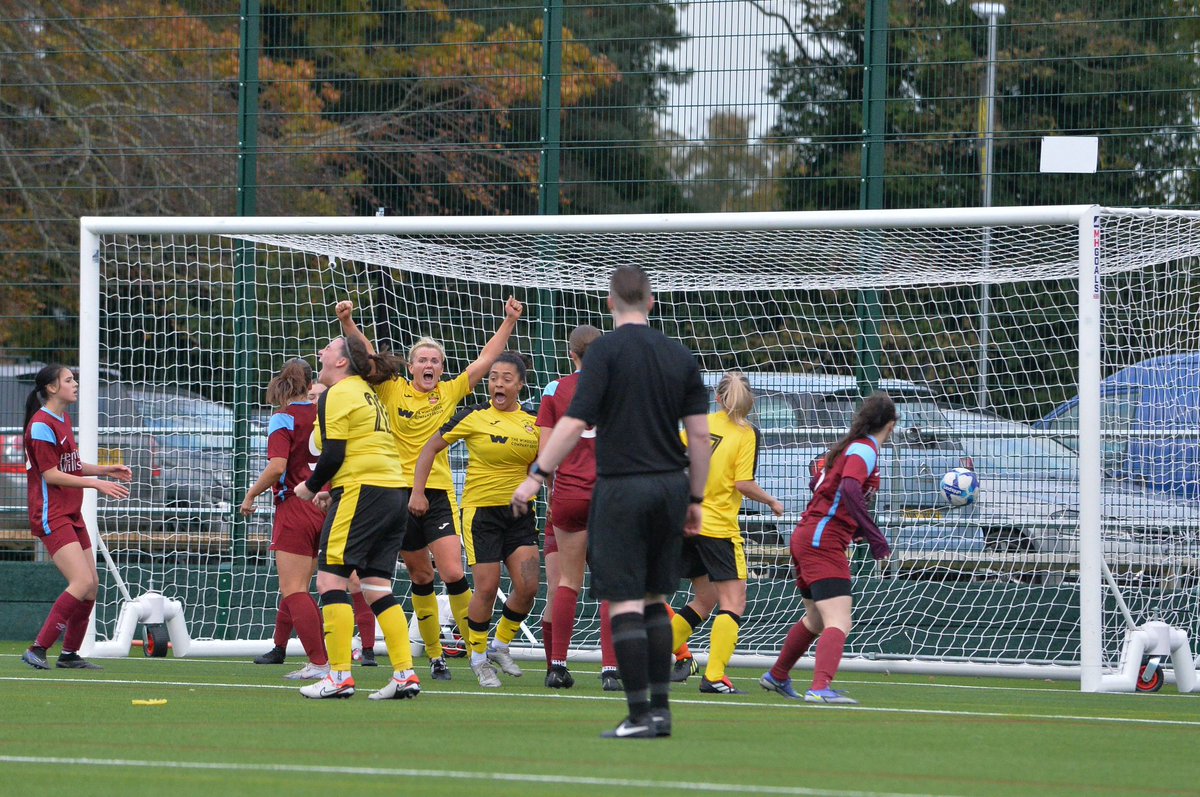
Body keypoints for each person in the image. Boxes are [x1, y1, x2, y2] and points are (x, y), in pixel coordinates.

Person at [512, 265, 711, 739]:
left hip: (620, 486)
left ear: (609, 302)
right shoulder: (680, 355)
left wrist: (537, 475)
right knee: (656, 599)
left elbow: (574, 423)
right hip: (670, 485)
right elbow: (700, 437)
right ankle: (661, 712)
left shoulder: (602, 354)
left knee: (622, 600)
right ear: (652, 301)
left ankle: (640, 715)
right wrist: (696, 497)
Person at [337, 296, 522, 681]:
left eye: (435, 361)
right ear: (411, 365)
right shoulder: (393, 389)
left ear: (441, 368)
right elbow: (368, 357)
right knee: (421, 577)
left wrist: (508, 321)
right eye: (423, 359)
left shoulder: (450, 393)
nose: (429, 365)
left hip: (437, 493)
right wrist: (349, 323)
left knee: (453, 570)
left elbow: (486, 361)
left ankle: (477, 650)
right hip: (397, 494)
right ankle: (436, 656)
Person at [293, 335, 420, 701]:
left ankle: (339, 676)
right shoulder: (364, 390)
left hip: (364, 491)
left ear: (342, 362)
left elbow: (333, 454)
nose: (321, 353)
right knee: (376, 586)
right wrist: (328, 490)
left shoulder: (339, 393)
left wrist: (310, 485)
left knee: (330, 580)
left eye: (328, 349)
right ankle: (404, 674)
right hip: (393, 491)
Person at [411, 352, 540, 688]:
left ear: (520, 385)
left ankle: (500, 643)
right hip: (481, 513)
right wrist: (418, 492)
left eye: (506, 378)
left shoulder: (534, 422)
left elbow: (542, 467)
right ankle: (479, 657)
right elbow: (429, 449)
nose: (498, 382)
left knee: (528, 587)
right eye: (494, 376)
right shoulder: (473, 416)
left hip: (520, 513)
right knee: (486, 587)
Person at [758, 392, 896, 705]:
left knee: (816, 619)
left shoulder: (848, 447)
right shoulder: (864, 450)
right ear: (891, 425)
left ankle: (778, 675)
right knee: (840, 620)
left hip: (808, 536)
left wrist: (855, 527)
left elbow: (819, 486)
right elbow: (847, 488)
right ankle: (820, 688)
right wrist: (874, 536)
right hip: (822, 541)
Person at [673, 371, 785, 695]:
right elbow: (742, 484)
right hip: (719, 527)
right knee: (734, 602)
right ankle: (715, 676)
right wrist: (772, 501)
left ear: (718, 399)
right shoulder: (746, 433)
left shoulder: (700, 424)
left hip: (688, 522)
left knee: (705, 598)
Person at [21, 365, 132, 670]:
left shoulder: (63, 418)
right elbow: (52, 474)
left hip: (70, 512)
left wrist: (105, 470)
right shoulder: (41, 424)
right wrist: (97, 484)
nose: (75, 384)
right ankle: (37, 648)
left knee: (92, 584)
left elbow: (70, 465)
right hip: (51, 513)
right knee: (80, 581)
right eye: (69, 380)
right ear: (52, 388)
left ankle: (69, 654)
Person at [239, 359, 330, 680]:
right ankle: (323, 658)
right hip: (326, 505)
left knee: (294, 589)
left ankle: (320, 663)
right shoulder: (325, 414)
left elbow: (278, 467)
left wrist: (250, 495)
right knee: (310, 587)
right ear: (310, 383)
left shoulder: (283, 418)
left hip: (295, 505)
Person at [535, 324, 603, 689]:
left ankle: (557, 665)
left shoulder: (554, 389)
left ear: (571, 354)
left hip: (568, 493)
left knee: (566, 582)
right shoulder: (618, 388)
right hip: (609, 494)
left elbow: (546, 453)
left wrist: (552, 490)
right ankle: (612, 670)